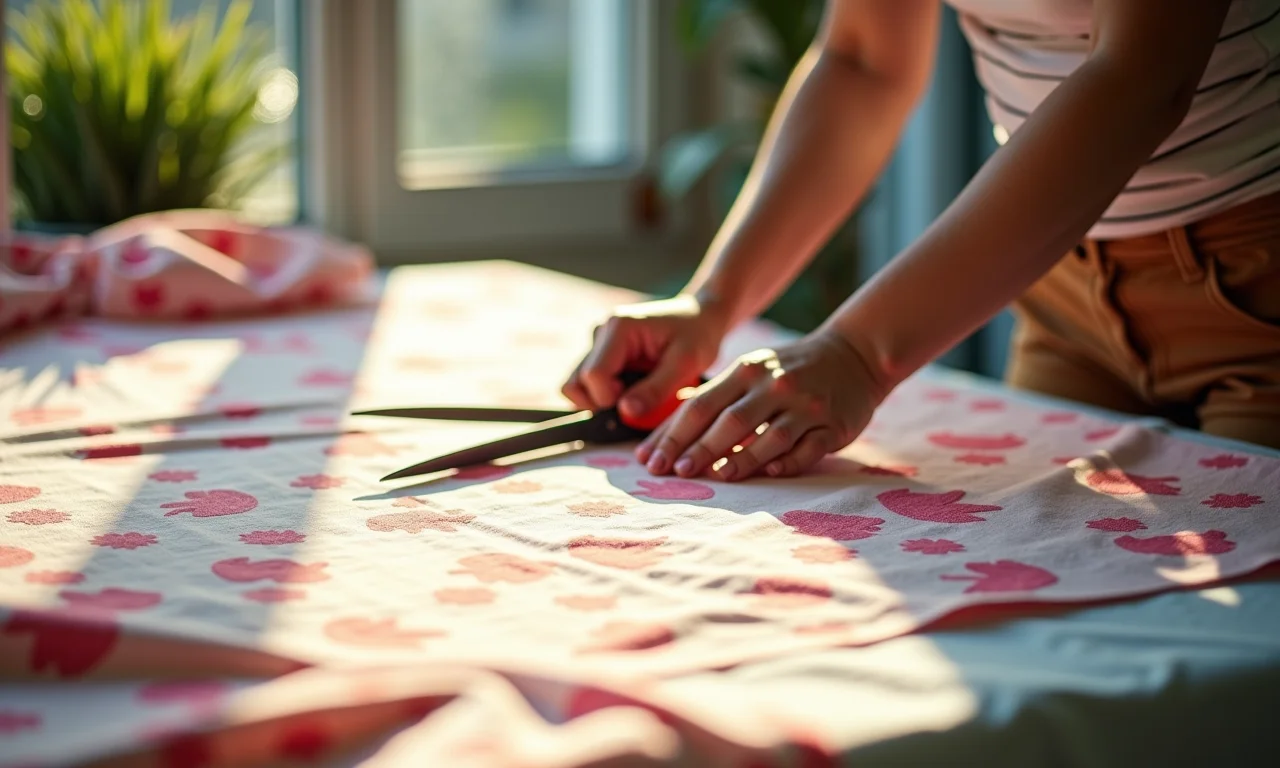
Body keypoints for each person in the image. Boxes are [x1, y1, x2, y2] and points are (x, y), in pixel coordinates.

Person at [562, 0, 1280, 481]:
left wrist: (859, 352)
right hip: (1066, 296)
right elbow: (865, 61)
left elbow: (1139, 78)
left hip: (1258, 280)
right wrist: (713, 304)